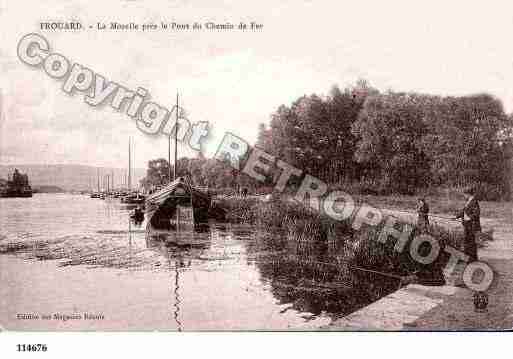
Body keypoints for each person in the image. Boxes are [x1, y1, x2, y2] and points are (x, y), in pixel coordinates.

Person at [455, 188, 481, 262]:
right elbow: (463, 211)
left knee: (471, 242)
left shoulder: (474, 201)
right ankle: (468, 258)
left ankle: (472, 259)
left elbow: (477, 213)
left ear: (468, 194)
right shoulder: (468, 201)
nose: (464, 196)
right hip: (467, 225)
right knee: (467, 241)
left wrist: (469, 218)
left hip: (472, 225)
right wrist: (456, 217)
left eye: (464, 194)